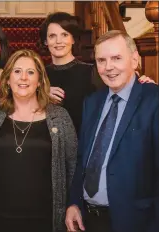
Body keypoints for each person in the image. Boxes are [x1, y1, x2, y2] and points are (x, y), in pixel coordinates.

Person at [65, 30, 159, 232]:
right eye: (101, 60)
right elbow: (83, 159)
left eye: (116, 58)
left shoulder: (154, 101)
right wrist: (74, 202)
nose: (108, 67)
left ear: (135, 60)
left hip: (138, 222)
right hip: (89, 220)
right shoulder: (92, 102)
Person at [0, 49, 78, 232]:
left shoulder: (59, 116)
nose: (23, 78)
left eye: (31, 72)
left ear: (40, 81)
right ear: (8, 79)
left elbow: (72, 165)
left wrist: (73, 205)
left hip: (46, 218)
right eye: (17, 71)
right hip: (1, 218)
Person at [40, 12, 154, 135]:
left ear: (73, 39)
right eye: (52, 36)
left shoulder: (94, 72)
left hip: (84, 144)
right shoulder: (38, 75)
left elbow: (122, 92)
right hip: (48, 144)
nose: (58, 41)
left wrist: (142, 84)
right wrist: (41, 93)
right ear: (45, 41)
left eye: (64, 34)